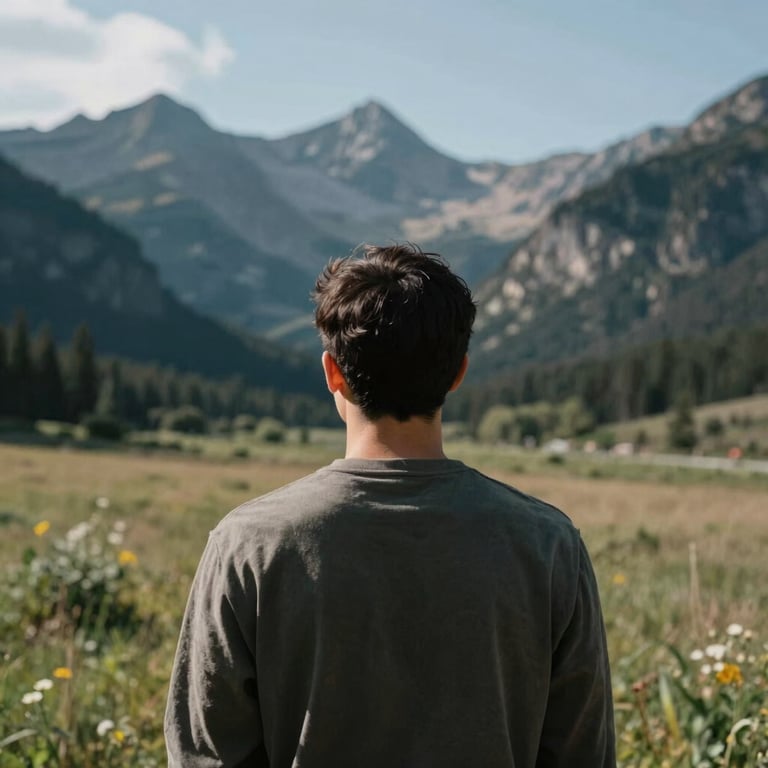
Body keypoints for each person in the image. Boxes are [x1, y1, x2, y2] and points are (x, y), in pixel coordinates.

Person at [164, 243, 616, 767]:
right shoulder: (548, 543)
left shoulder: (248, 543)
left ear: (333, 373)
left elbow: (206, 755)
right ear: (457, 374)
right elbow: (582, 754)